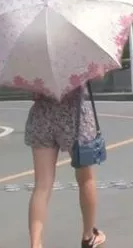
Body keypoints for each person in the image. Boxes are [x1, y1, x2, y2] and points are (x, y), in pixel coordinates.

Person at [25, 86, 106, 248]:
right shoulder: (78, 60)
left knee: (42, 185)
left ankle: (35, 244)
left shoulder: (33, 61)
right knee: (86, 179)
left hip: (42, 114)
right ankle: (89, 236)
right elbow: (98, 78)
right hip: (75, 114)